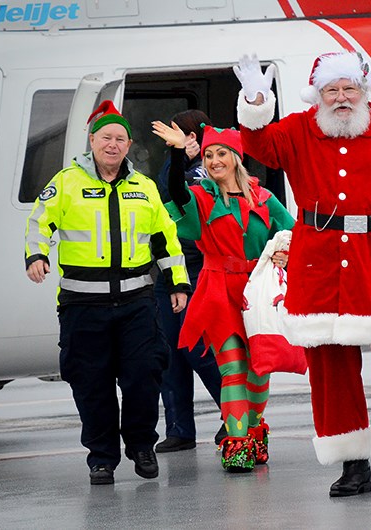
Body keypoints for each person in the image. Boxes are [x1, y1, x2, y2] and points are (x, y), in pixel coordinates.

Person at [233, 52, 371, 496]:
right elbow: (257, 148)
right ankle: (352, 465)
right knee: (330, 365)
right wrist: (255, 101)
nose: (342, 98)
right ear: (318, 95)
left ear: (364, 91)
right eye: (332, 90)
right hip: (319, 259)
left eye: (350, 88)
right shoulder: (296, 130)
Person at [25, 100, 190, 485]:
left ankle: (141, 446)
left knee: (144, 375)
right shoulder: (66, 182)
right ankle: (101, 457)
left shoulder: (143, 187)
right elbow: (39, 223)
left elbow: (165, 238)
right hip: (83, 304)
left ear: (129, 145)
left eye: (120, 139)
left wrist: (178, 282)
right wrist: (36, 255)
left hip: (136, 301)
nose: (113, 145)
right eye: (106, 138)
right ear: (92, 141)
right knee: (91, 382)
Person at [151, 119, 295, 472]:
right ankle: (238, 447)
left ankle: (254, 432)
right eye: (209, 154)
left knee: (259, 372)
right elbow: (175, 194)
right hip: (218, 288)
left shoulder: (264, 198)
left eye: (221, 154)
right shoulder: (201, 197)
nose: (213, 160)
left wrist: (284, 250)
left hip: (258, 289)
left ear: (236, 158)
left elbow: (294, 232)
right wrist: (176, 153)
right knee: (232, 368)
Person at [151, 110, 226, 453]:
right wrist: (177, 154)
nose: (178, 140)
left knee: (199, 349)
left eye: (183, 135)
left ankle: (237, 413)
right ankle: (180, 428)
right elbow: (164, 195)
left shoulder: (214, 165)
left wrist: (190, 157)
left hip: (199, 267)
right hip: (168, 267)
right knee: (170, 353)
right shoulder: (175, 162)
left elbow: (192, 198)